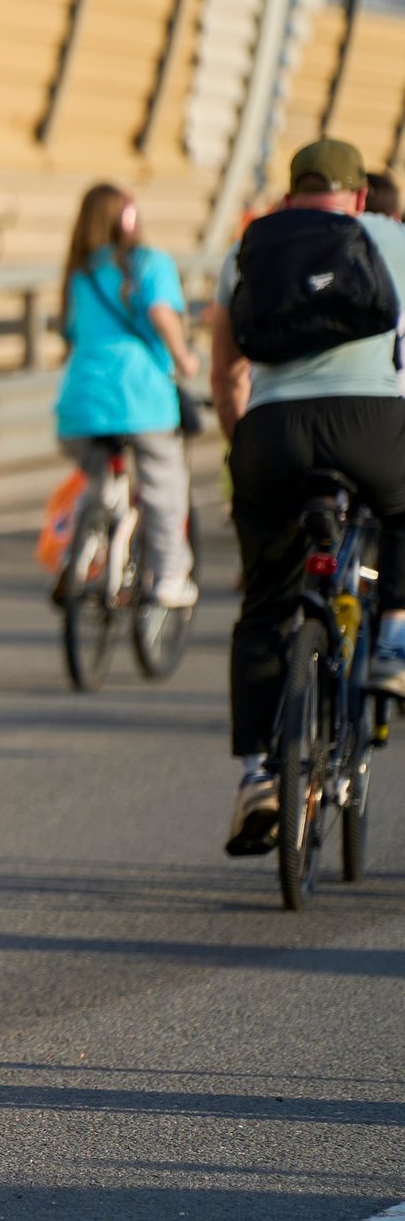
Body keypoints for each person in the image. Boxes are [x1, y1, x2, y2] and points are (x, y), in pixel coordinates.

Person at [210, 139, 405, 857]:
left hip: (274, 435)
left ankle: (259, 773)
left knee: (266, 603)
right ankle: (394, 639)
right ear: (359, 197)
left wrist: (245, 450)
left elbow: (228, 370)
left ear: (291, 196)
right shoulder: (392, 238)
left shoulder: (249, 248)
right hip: (371, 428)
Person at [53, 183, 201, 609]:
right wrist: (184, 357)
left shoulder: (78, 274)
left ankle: (78, 555)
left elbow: (72, 333)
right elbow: (159, 312)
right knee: (162, 483)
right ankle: (171, 574)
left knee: (97, 482)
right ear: (129, 219)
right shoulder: (150, 263)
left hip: (80, 404)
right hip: (140, 399)